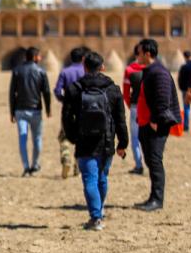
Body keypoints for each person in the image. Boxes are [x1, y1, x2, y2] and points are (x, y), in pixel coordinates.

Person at [62, 51, 128, 231]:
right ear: (103, 67)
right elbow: (120, 120)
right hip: (106, 141)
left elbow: (67, 117)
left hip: (84, 142)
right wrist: (123, 143)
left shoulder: (75, 89)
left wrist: (73, 137)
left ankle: (96, 217)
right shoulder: (113, 89)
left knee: (90, 180)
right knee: (102, 178)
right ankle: (99, 210)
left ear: (84, 67)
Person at [135, 39, 181, 211]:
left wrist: (155, 120)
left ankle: (157, 200)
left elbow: (163, 99)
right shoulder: (150, 71)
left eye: (139, 53)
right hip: (146, 123)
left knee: (155, 161)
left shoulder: (159, 72)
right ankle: (153, 197)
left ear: (147, 54)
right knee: (150, 160)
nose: (137, 56)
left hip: (156, 125)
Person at [9, 46, 51, 176]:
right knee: (37, 139)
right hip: (35, 110)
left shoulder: (17, 71)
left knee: (23, 138)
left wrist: (12, 111)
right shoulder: (41, 71)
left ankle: (26, 167)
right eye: (39, 56)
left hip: (20, 110)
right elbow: (46, 92)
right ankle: (35, 164)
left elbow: (12, 93)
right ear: (34, 57)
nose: (40, 58)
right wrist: (48, 109)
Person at [54, 47, 87, 179]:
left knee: (64, 136)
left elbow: (57, 91)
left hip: (68, 109)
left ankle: (66, 158)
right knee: (82, 138)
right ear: (83, 59)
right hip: (84, 109)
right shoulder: (86, 72)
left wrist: (64, 100)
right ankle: (77, 166)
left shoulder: (65, 72)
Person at [122, 46, 146, 174]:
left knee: (135, 137)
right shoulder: (152, 68)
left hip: (136, 107)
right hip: (150, 108)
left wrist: (130, 105)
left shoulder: (129, 70)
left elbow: (126, 93)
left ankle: (139, 165)